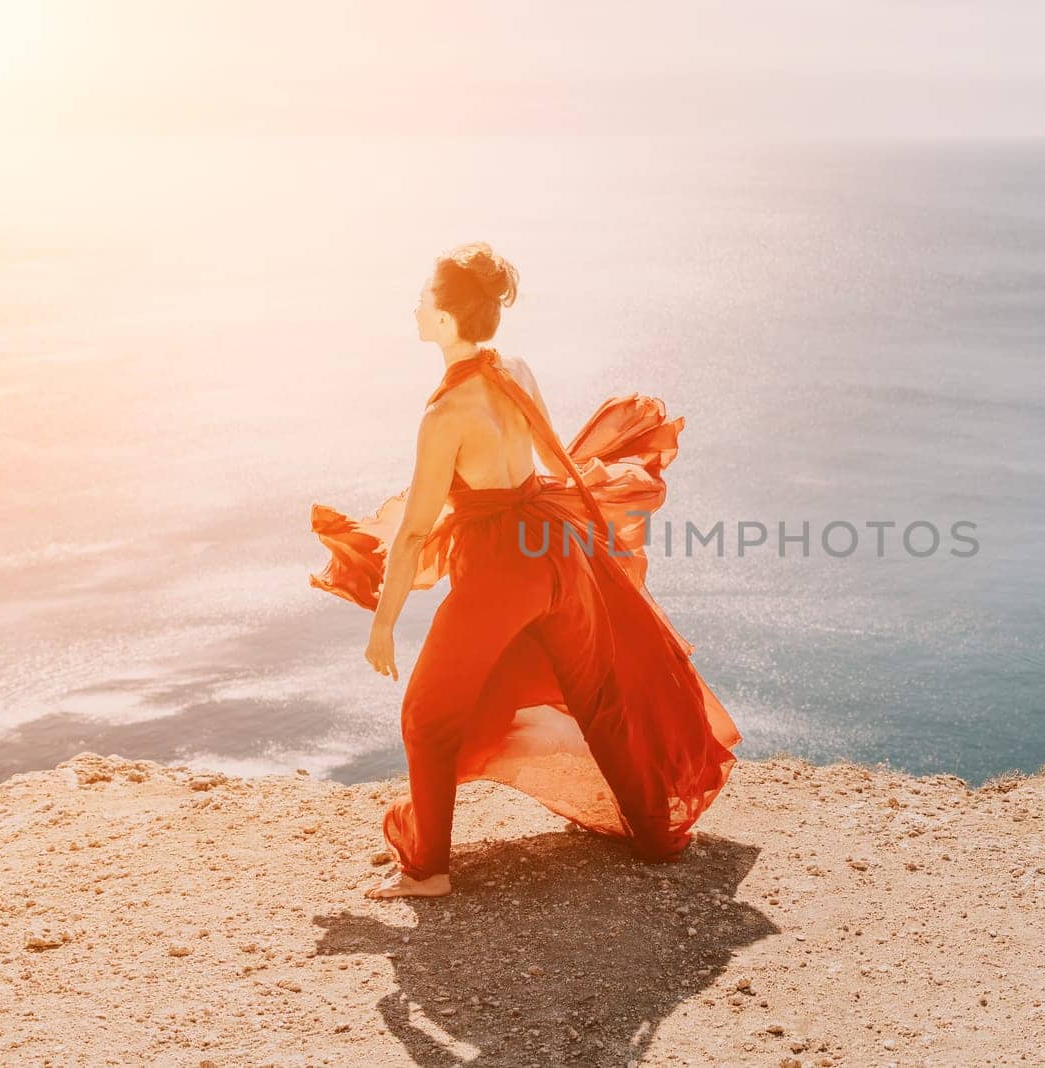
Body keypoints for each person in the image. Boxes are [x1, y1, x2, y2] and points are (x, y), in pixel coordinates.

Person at [308, 241, 742, 900]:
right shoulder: (515, 368)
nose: (416, 306)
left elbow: (418, 530)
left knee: (426, 717)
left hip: (502, 570)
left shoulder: (444, 414)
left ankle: (428, 871)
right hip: (555, 551)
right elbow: (547, 460)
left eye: (425, 298)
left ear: (449, 320)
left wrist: (384, 625)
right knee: (600, 699)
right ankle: (658, 837)